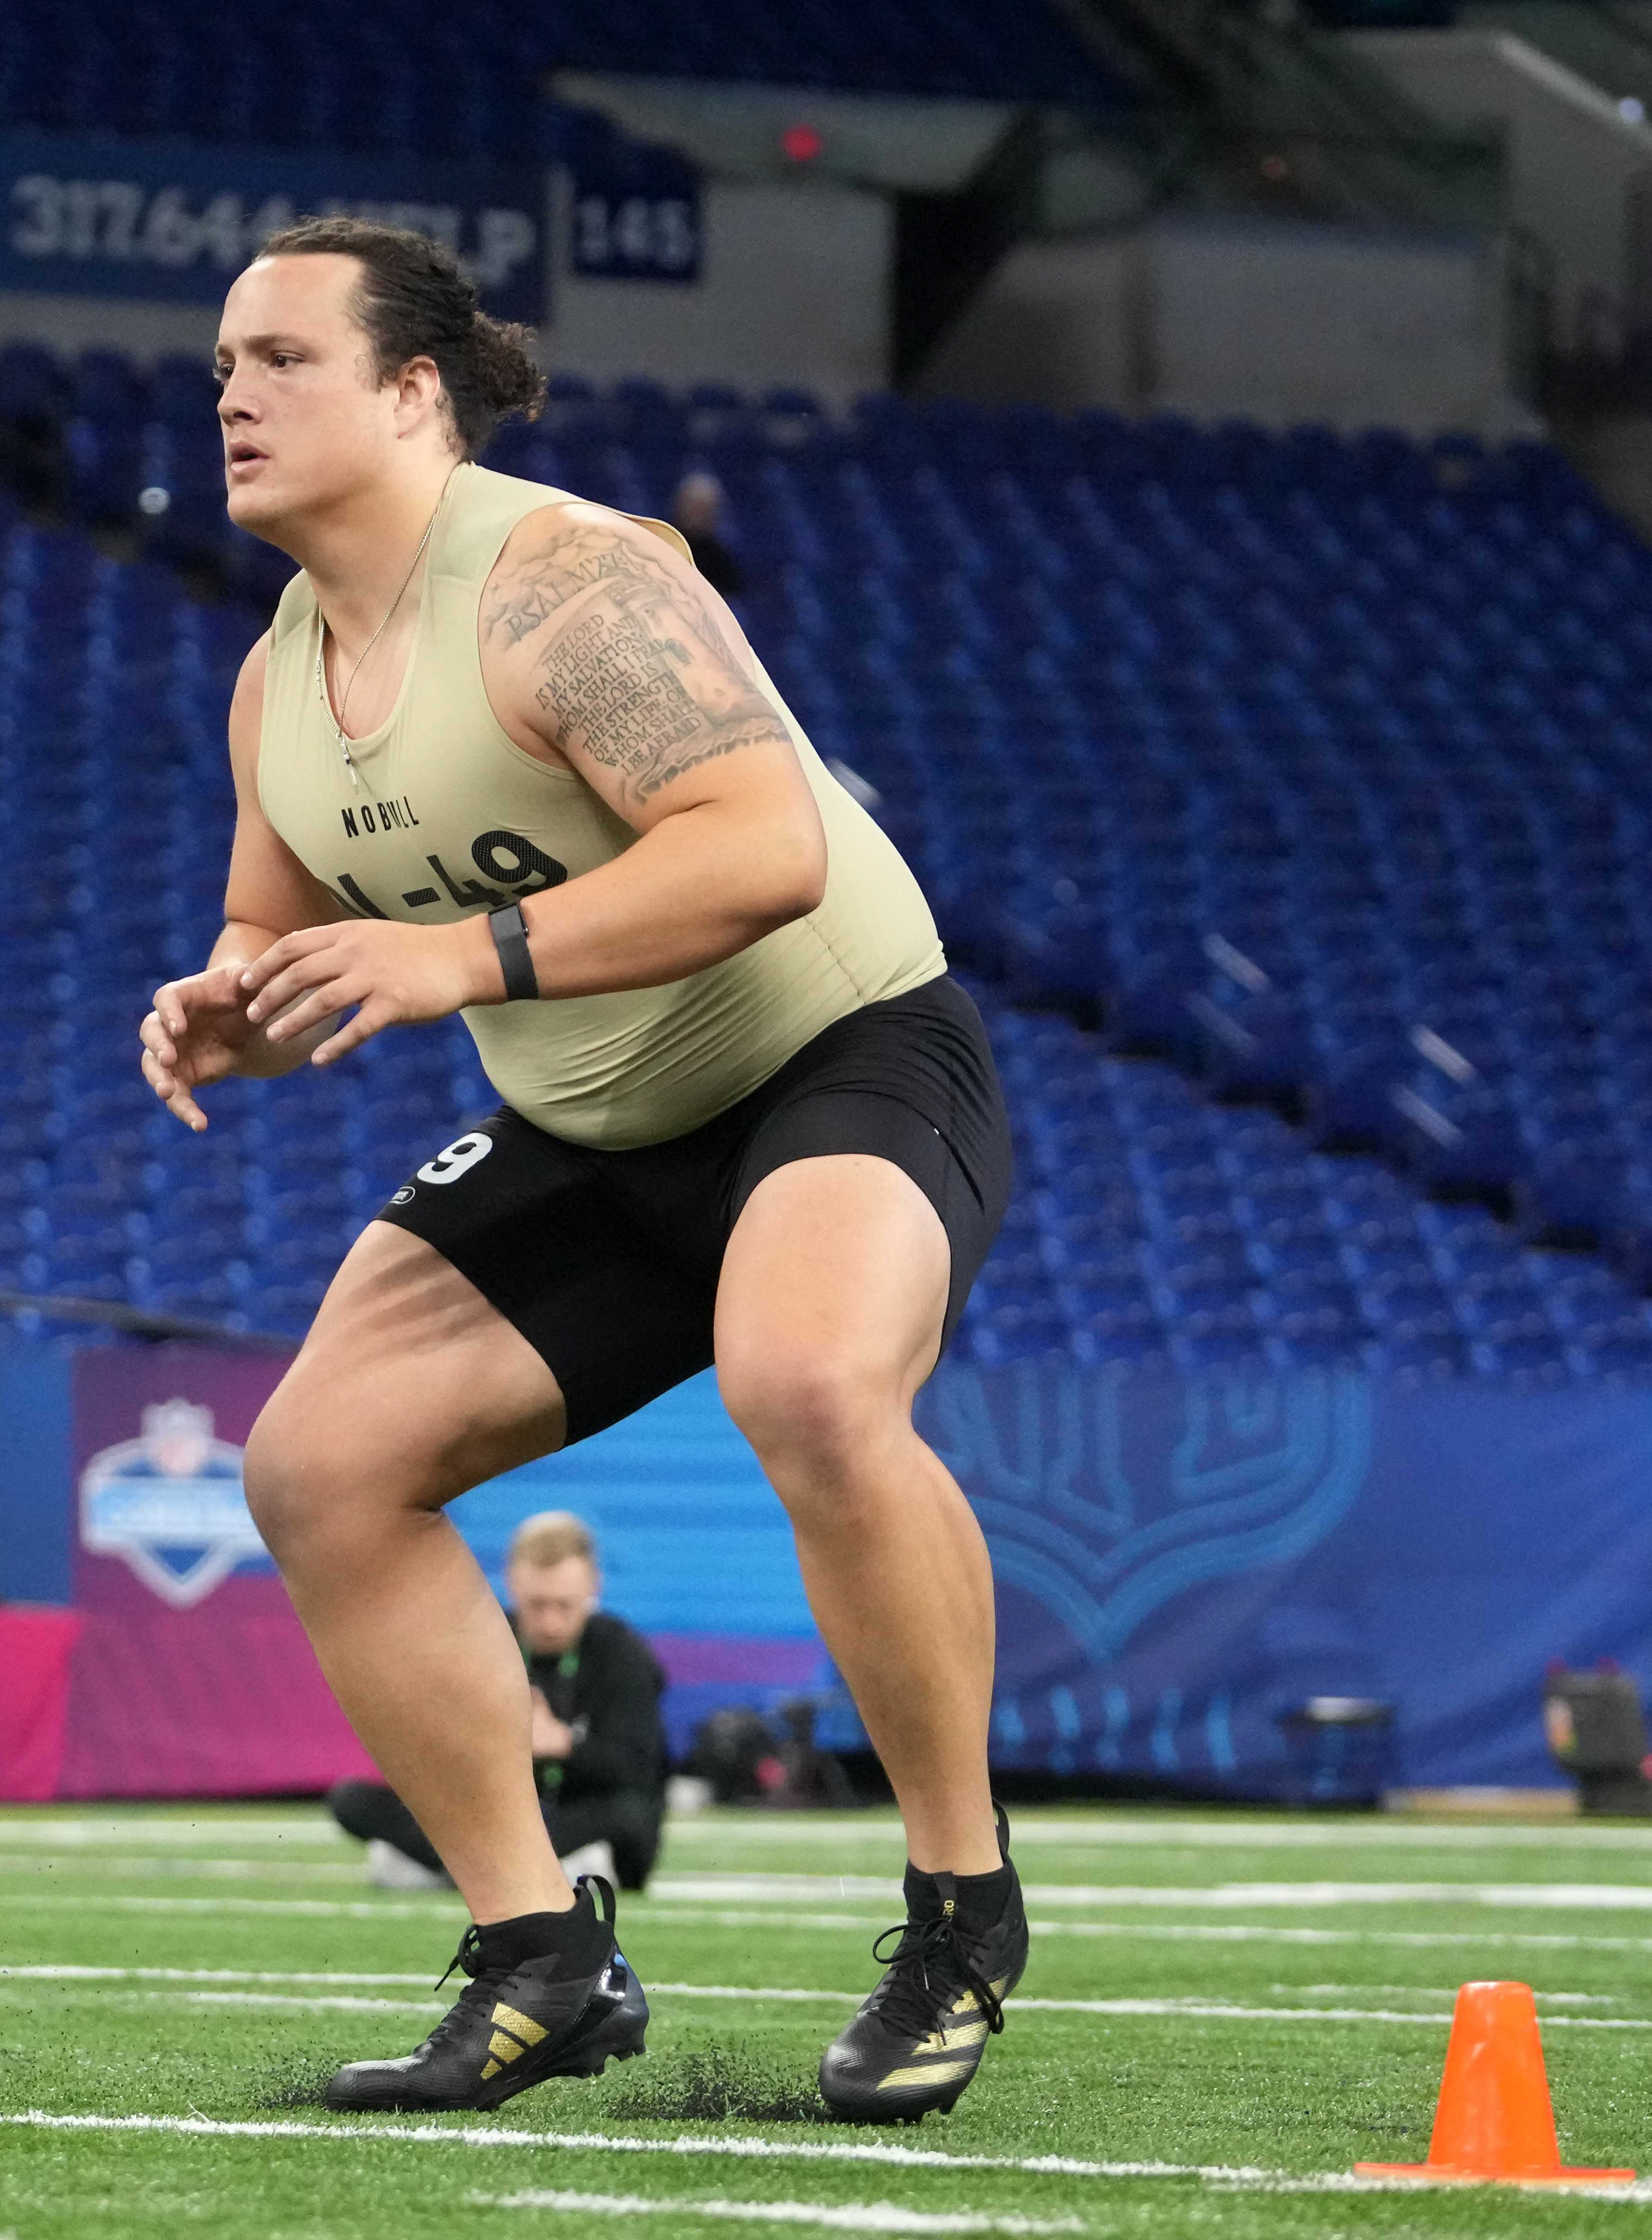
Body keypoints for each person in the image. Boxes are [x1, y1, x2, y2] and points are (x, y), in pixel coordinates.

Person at [140, 217, 1022, 2123]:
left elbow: (765, 845)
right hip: (596, 1122)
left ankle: (959, 1912)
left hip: (838, 1052)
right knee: (315, 1465)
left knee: (804, 1384)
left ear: (411, 392)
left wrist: (450, 959)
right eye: (222, 362)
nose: (231, 392)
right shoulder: (274, 683)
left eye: (281, 357)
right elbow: (271, 936)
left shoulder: (563, 582)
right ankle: (542, 1959)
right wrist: (231, 1007)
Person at [327, 1511, 670, 1893]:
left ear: (594, 1586)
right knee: (352, 1799)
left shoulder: (622, 1653)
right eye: (536, 1605)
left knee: (631, 1818)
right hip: (493, 1820)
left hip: (573, 1816)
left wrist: (562, 1744)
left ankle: (462, 1869)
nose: (551, 1623)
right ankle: (523, 1873)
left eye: (565, 1606)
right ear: (512, 1584)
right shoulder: (481, 1642)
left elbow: (640, 1769)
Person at [669, 471, 747, 599]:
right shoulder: (661, 540)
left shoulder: (720, 558)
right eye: (693, 507)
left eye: (703, 509)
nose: (696, 515)